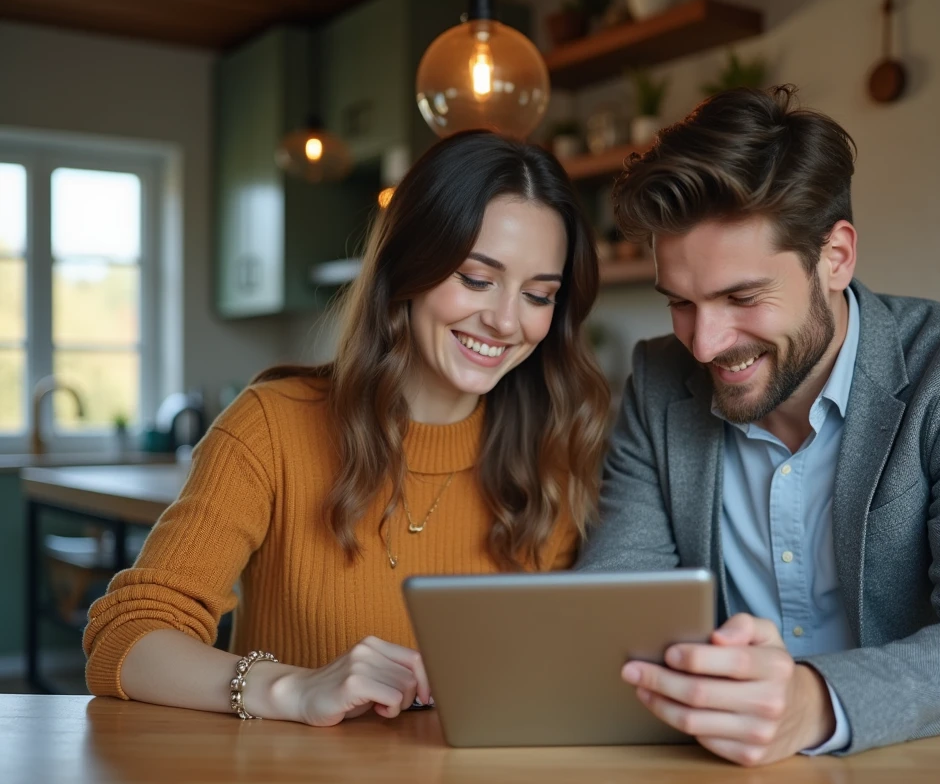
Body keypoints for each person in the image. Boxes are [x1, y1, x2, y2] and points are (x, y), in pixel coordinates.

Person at [576, 86, 940, 764]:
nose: (705, 344)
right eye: (680, 303)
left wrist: (816, 702)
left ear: (835, 257)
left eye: (742, 297)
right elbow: (616, 604)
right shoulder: (659, 380)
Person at [84, 130, 611, 726]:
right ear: (409, 265)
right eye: (475, 279)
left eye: (539, 295)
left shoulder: (550, 461)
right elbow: (127, 637)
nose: (506, 321)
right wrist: (292, 689)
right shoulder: (272, 427)